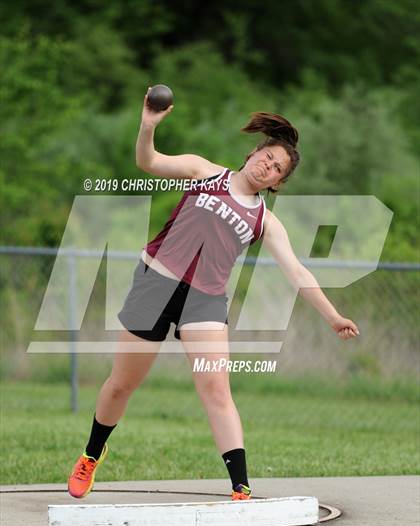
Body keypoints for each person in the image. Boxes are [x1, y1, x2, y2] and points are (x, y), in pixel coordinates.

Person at [68, 90, 359, 501]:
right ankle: (91, 455)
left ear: (278, 183)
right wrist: (148, 127)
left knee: (216, 389)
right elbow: (147, 162)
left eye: (276, 168)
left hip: (203, 301)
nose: (268, 166)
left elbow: (296, 271)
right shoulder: (206, 172)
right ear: (253, 152)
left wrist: (333, 316)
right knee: (120, 386)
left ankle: (241, 486)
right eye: (267, 157)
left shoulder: (264, 220)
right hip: (156, 283)